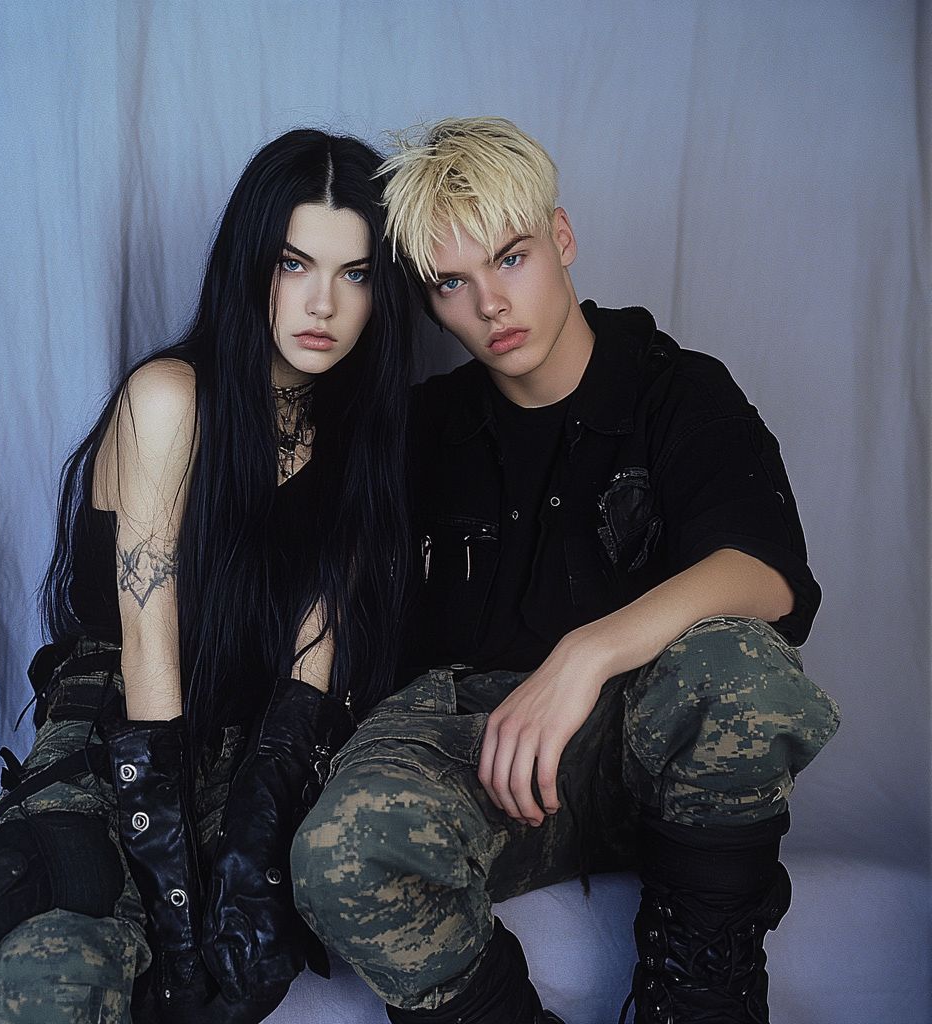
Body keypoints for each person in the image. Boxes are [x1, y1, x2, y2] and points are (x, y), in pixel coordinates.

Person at [291, 117, 841, 1024]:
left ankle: (699, 1001)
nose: (490, 306)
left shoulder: (676, 389)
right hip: (482, 761)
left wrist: (583, 657)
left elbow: (767, 571)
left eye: (511, 258)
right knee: (339, 851)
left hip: (647, 754)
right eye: (452, 284)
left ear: (563, 237)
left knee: (740, 666)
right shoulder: (422, 429)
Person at [0, 128, 415, 1023]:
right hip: (122, 725)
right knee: (54, 980)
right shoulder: (171, 398)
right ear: (252, 263)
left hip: (246, 741)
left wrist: (256, 838)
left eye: (356, 273)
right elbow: (149, 650)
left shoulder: (359, 439)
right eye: (295, 263)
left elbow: (313, 662)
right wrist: (176, 905)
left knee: (242, 967)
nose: (323, 303)